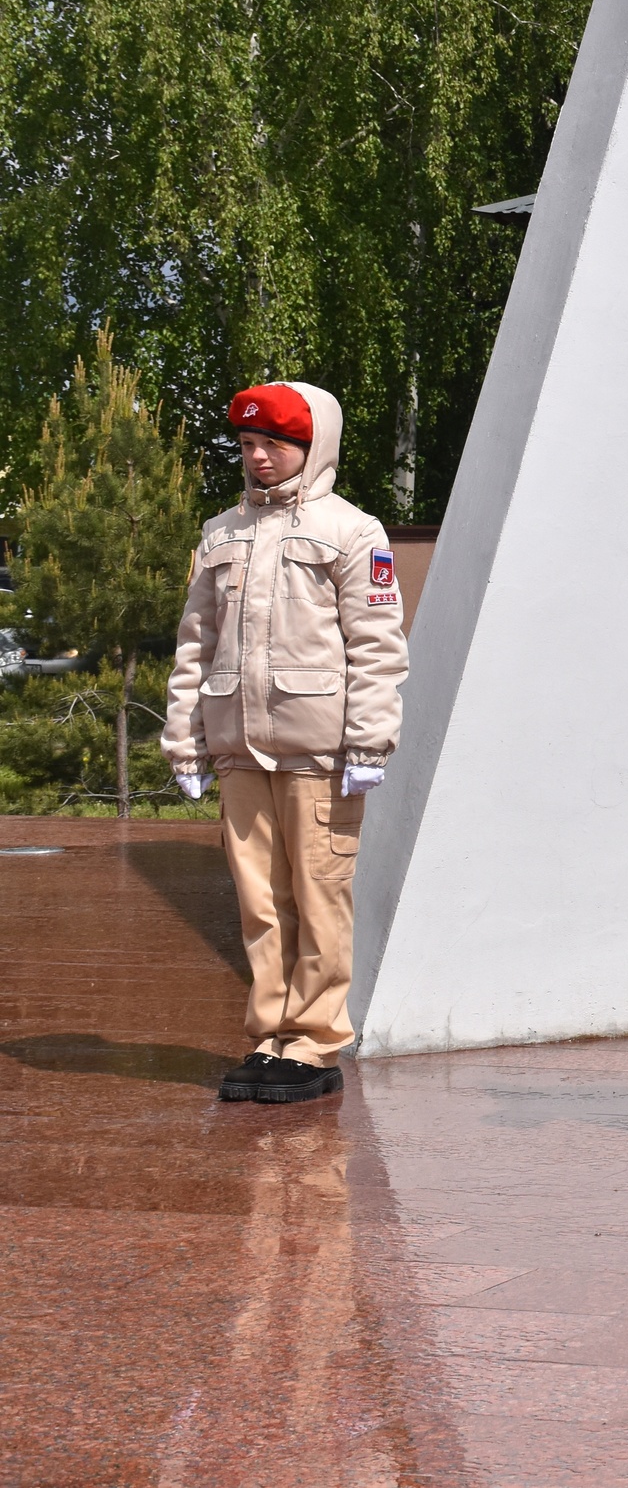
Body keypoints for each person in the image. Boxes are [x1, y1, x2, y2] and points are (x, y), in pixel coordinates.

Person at [164, 383, 408, 1105]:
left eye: (273, 443)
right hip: (240, 745)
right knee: (260, 900)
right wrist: (185, 740)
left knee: (319, 892)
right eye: (247, 445)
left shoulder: (353, 532)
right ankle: (270, 1035)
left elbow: (377, 644)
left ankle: (315, 1040)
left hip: (319, 749)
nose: (258, 457)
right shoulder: (221, 533)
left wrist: (370, 740)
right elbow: (195, 644)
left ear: (312, 446)